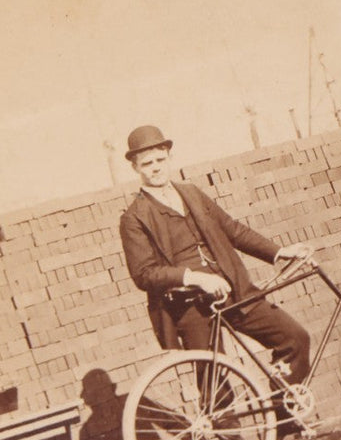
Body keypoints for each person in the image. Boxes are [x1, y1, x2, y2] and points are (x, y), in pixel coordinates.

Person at [118, 125, 314, 422]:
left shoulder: (192, 193)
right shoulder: (134, 217)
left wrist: (278, 251)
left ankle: (284, 421)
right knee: (214, 378)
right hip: (190, 306)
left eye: (160, 160)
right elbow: (144, 274)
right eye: (147, 164)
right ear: (135, 167)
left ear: (169, 158)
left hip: (234, 290)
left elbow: (232, 230)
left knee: (294, 338)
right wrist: (195, 278)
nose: (156, 168)